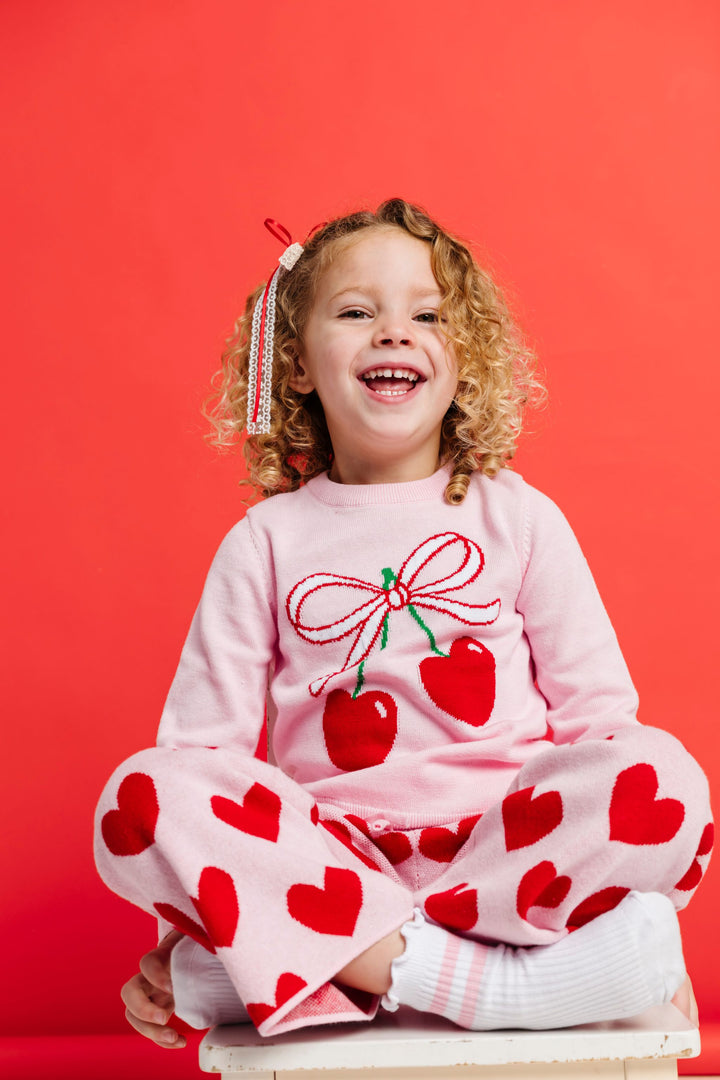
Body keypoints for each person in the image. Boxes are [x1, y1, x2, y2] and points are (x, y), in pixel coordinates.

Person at [94, 199, 713, 1050]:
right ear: (298, 362)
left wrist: (640, 899)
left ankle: (333, 965)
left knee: (665, 774)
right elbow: (206, 758)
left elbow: (601, 723)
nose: (394, 333)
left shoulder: (521, 518)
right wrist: (184, 919)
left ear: (467, 358)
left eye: (427, 315)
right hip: (338, 863)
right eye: (356, 313)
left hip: (503, 857)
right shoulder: (263, 543)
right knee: (145, 793)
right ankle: (483, 979)